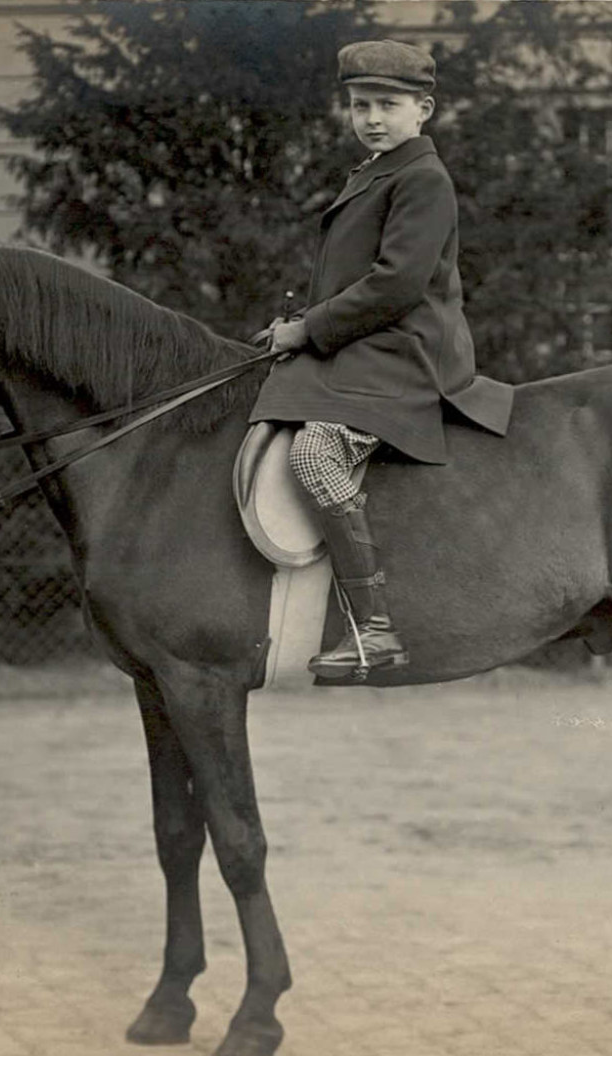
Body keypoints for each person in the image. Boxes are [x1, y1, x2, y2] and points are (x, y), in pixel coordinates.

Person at [248, 39, 513, 679]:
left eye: (388, 105)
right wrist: (305, 326)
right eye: (360, 104)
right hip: (370, 342)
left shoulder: (422, 178)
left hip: (409, 348)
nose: (372, 117)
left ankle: (375, 628)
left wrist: (308, 329)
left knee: (314, 452)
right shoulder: (375, 171)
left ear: (423, 111)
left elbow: (395, 285)